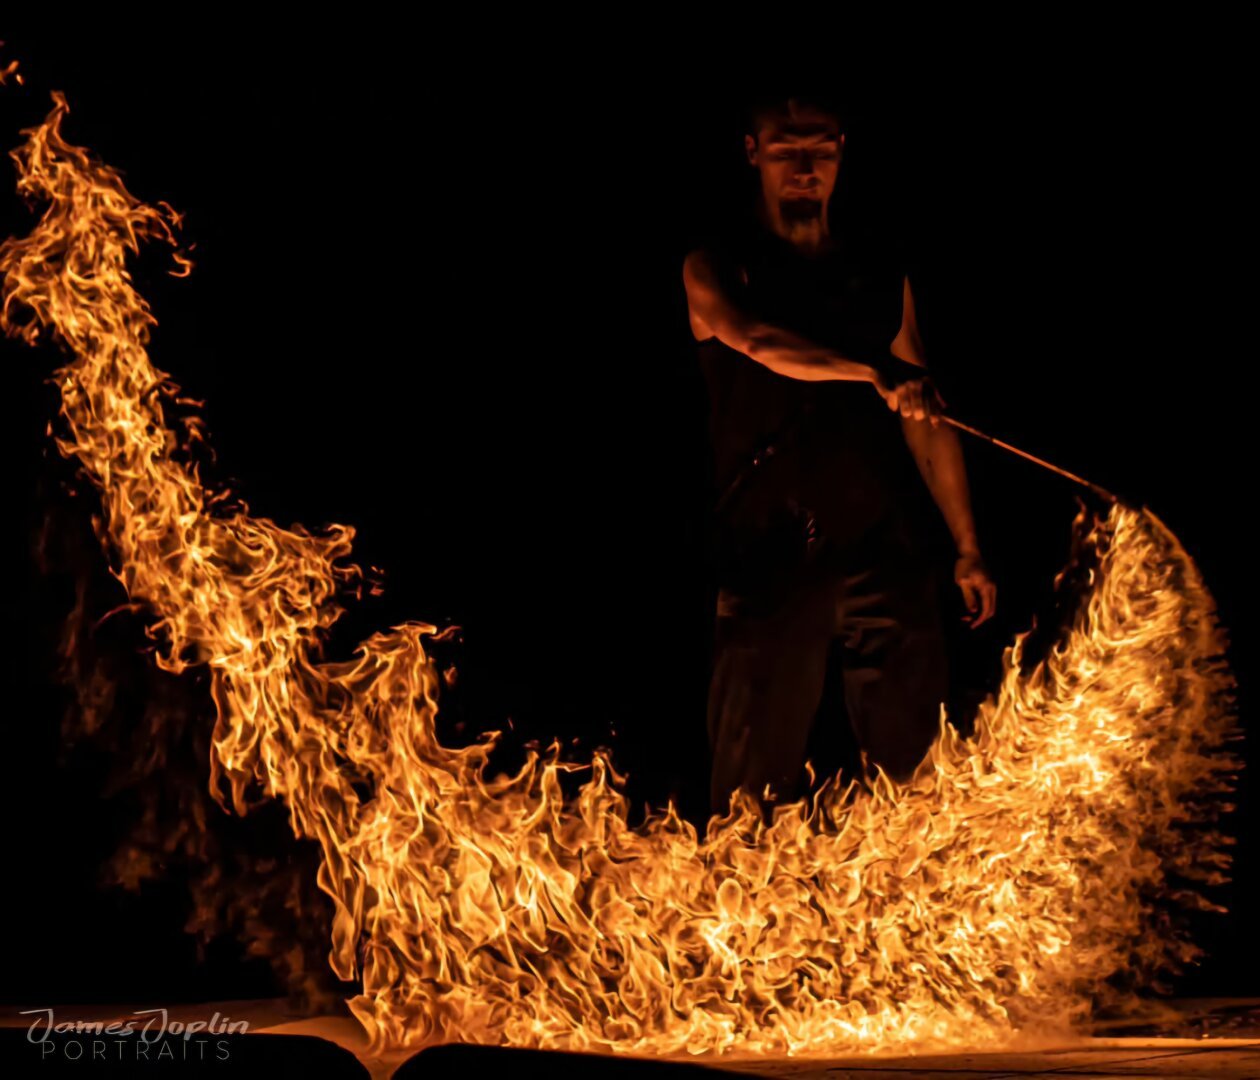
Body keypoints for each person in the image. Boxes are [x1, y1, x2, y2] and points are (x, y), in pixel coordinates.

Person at [684, 91, 997, 816]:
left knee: (916, 777)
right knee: (751, 791)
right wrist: (869, 371)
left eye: (819, 146)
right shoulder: (718, 265)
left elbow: (925, 415)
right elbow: (756, 342)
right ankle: (745, 915)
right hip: (769, 549)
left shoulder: (879, 272)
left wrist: (968, 545)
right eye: (786, 146)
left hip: (879, 545)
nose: (805, 164)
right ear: (753, 153)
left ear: (841, 152)